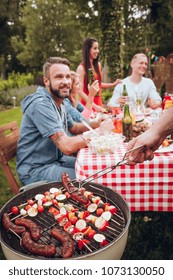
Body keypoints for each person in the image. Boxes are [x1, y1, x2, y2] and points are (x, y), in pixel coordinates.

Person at [17, 57, 102, 186]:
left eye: (68, 77)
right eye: (59, 77)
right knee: (93, 179)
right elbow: (67, 146)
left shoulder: (60, 102)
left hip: (56, 160)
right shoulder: (41, 105)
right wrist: (100, 133)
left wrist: (97, 125)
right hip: (35, 171)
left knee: (97, 168)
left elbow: (74, 127)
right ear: (46, 81)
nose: (66, 82)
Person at [76, 37, 121, 112]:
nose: (97, 51)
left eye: (98, 48)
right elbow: (80, 91)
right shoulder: (81, 68)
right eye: (95, 48)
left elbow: (98, 85)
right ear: (88, 50)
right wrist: (94, 106)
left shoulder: (98, 65)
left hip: (99, 103)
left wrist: (113, 84)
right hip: (87, 105)